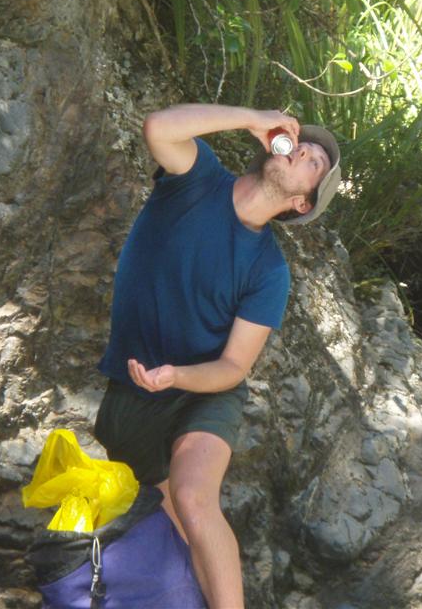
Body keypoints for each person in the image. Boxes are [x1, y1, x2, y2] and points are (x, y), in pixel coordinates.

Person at [93, 104, 340, 608]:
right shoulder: (199, 177)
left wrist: (177, 375)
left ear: (301, 203)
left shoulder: (269, 271)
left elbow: (233, 367)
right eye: (303, 145)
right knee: (174, 530)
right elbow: (158, 128)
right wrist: (250, 118)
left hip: (203, 391)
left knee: (193, 497)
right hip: (133, 387)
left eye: (314, 162)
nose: (303, 151)